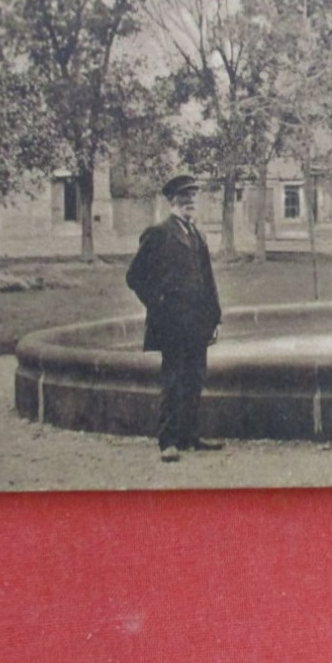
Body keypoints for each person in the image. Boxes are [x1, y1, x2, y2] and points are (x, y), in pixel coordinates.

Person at [126, 174, 223, 462]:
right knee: (173, 378)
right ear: (172, 201)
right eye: (184, 197)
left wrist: (214, 317)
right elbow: (134, 276)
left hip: (197, 321)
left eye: (193, 197)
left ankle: (190, 436)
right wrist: (158, 304)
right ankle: (168, 441)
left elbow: (208, 281)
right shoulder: (159, 233)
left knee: (195, 378)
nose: (190, 201)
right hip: (171, 322)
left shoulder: (197, 235)